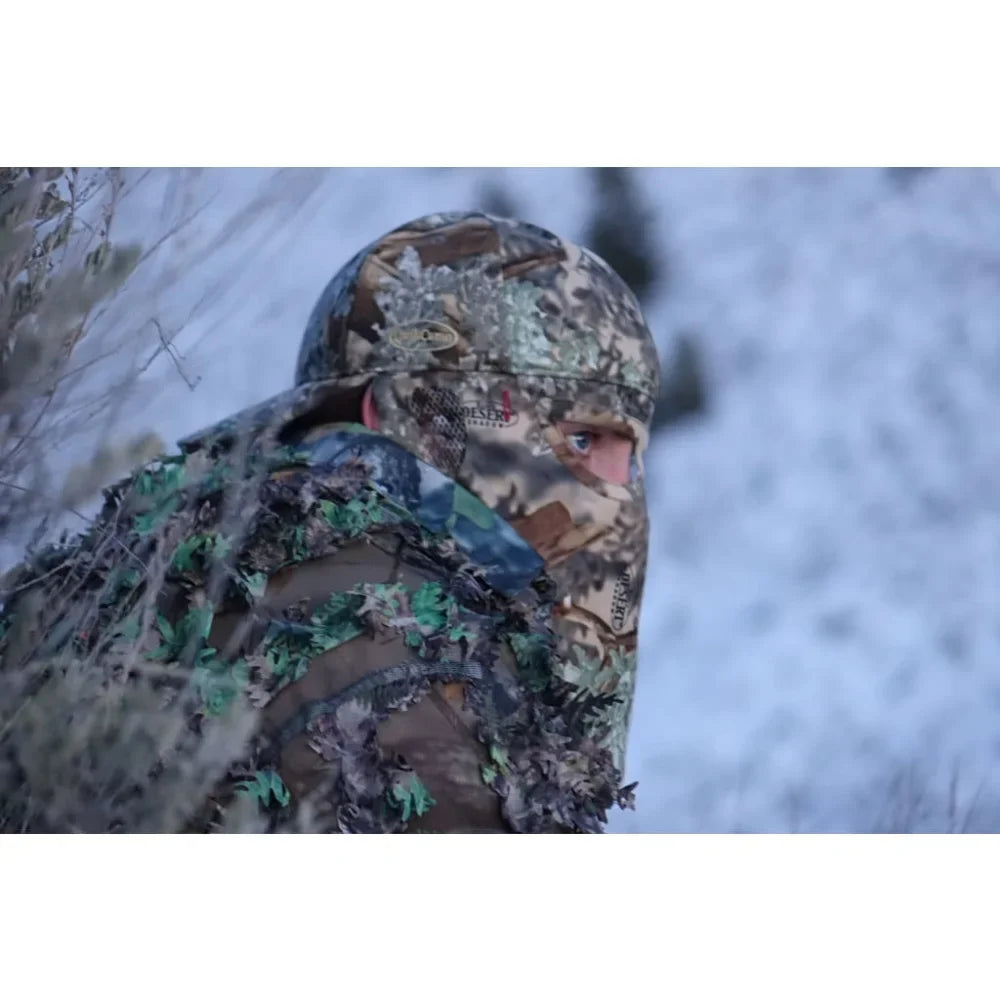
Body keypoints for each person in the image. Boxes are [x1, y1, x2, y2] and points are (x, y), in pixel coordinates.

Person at [0, 211, 660, 834]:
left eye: (629, 458)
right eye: (580, 441)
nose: (618, 491)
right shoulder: (412, 668)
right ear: (406, 415)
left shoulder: (163, 543)